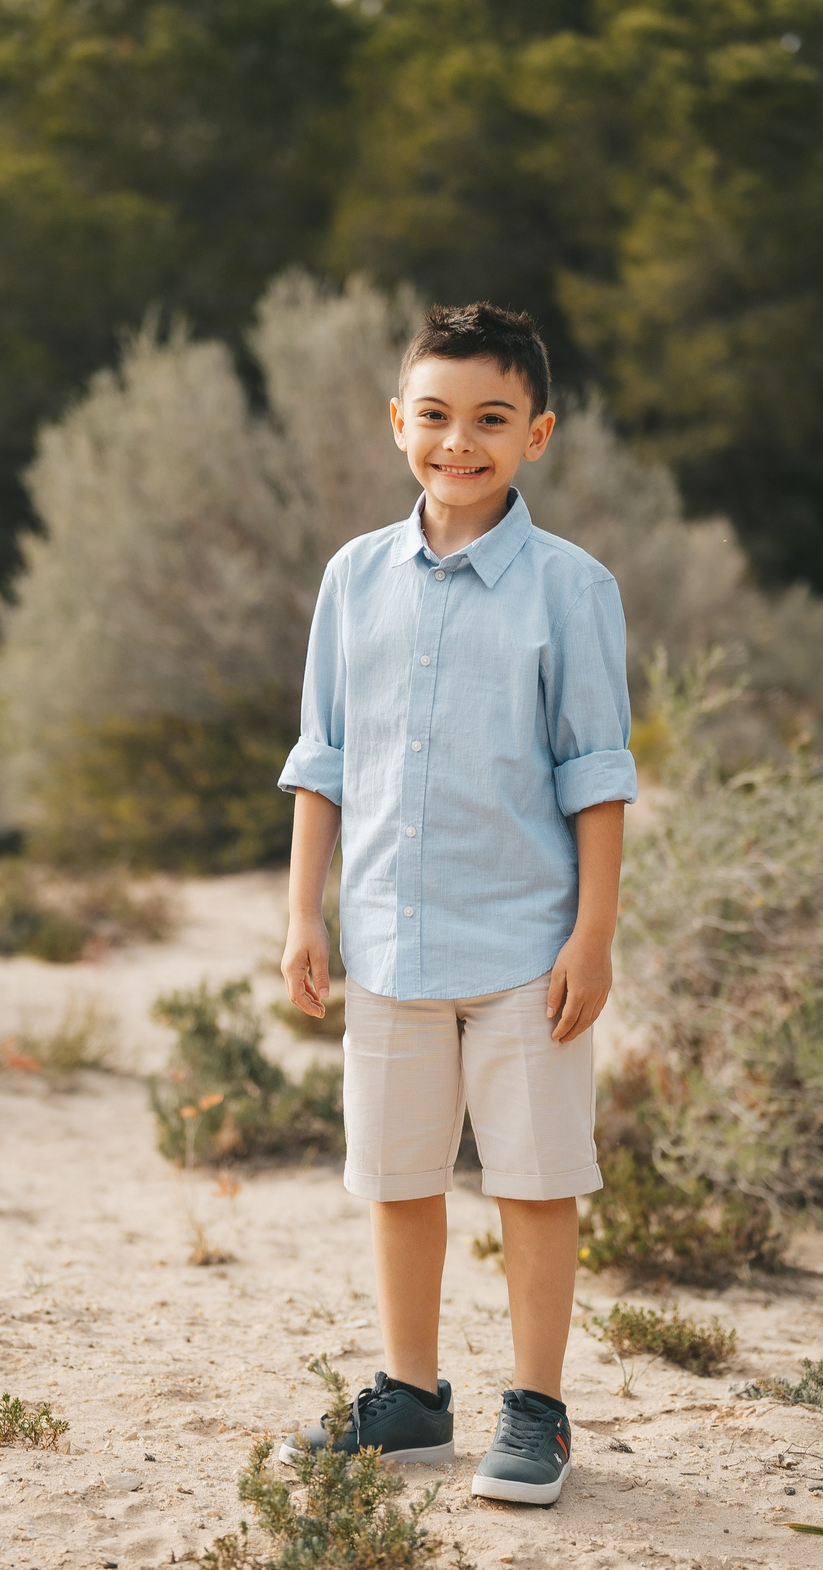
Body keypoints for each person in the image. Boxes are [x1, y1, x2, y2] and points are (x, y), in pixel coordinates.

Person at [274, 301, 635, 1506]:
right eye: (433, 416)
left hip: (529, 948)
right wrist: (303, 913)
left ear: (536, 433)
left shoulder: (571, 589)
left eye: (490, 419)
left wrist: (593, 933)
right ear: (397, 423)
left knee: (535, 1178)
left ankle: (535, 1408)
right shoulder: (352, 577)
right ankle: (411, 1396)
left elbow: (596, 773)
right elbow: (321, 753)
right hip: (386, 937)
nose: (458, 443)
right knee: (397, 1173)